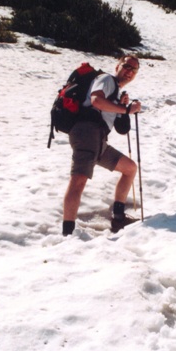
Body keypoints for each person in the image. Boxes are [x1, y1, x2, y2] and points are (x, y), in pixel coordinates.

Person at [62, 55, 142, 236]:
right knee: (78, 180)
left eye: (134, 70)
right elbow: (96, 101)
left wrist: (124, 108)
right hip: (86, 131)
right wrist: (126, 109)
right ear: (118, 66)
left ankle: (118, 218)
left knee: (129, 168)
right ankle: (67, 233)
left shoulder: (116, 93)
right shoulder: (106, 79)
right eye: (127, 66)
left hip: (99, 139)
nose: (129, 71)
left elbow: (122, 129)